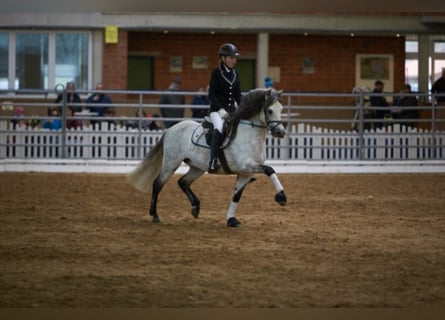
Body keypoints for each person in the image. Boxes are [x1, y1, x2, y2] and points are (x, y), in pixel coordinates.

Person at [207, 43, 242, 173]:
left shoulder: (235, 74)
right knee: (219, 127)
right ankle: (213, 160)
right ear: (223, 58)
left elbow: (238, 95)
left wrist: (243, 109)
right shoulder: (216, 73)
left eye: (235, 58)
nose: (234, 60)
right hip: (217, 111)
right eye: (231, 57)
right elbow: (211, 94)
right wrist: (220, 108)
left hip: (232, 110)